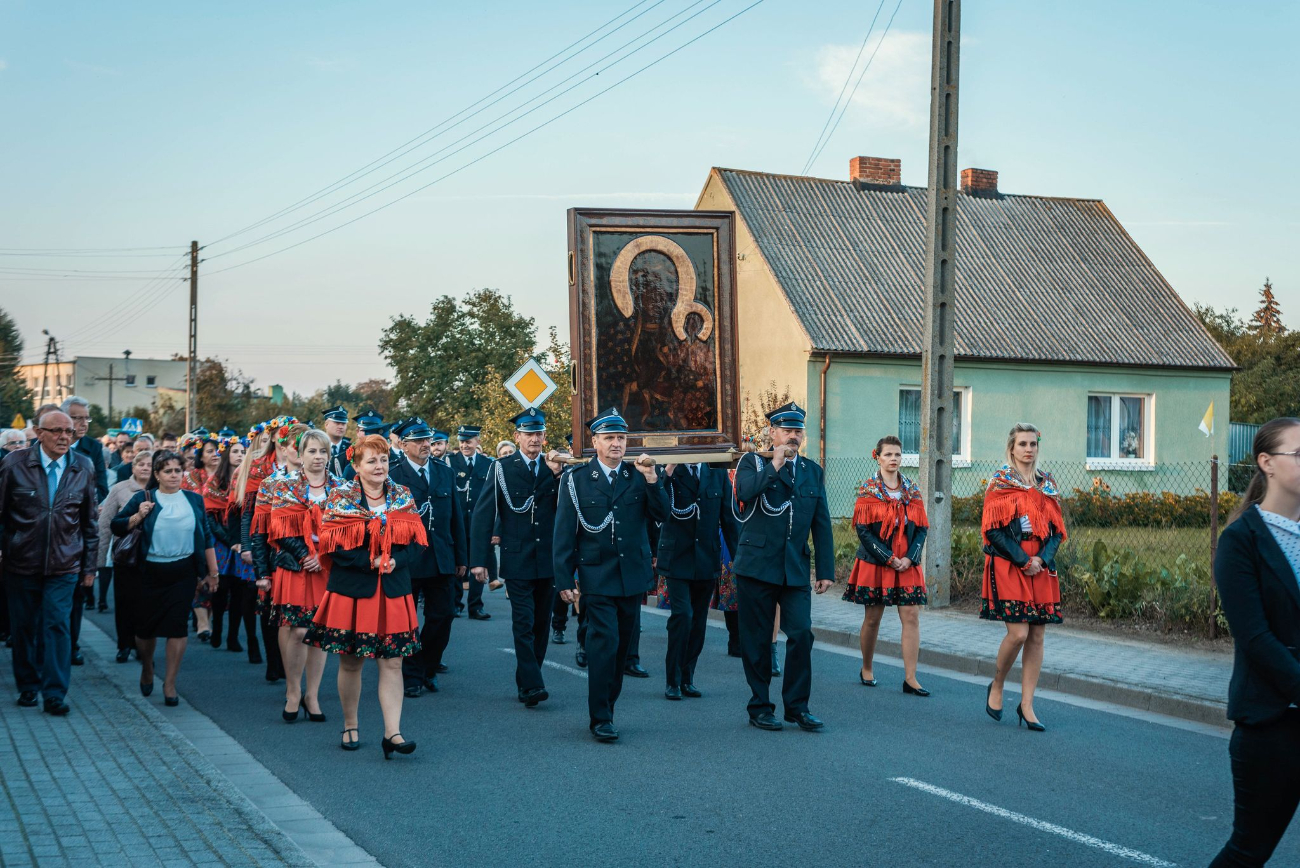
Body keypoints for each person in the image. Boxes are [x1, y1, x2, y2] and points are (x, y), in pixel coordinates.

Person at [1208, 418, 1300, 868]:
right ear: (1267, 463)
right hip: (1271, 724)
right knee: (1249, 851)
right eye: (1299, 454)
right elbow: (1255, 639)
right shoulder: (1240, 541)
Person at [305, 434, 425, 758]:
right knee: (352, 662)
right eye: (371, 461)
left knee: (393, 662)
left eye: (384, 459)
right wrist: (368, 562)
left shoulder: (402, 494)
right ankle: (350, 723)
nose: (379, 466)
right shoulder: (342, 496)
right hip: (353, 591)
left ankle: (393, 733)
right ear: (356, 466)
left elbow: (416, 542)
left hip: (394, 590)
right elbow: (331, 545)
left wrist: (397, 559)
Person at [554, 408, 666, 742]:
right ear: (595, 442)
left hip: (632, 574)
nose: (616, 444)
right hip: (596, 574)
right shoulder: (576, 480)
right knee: (605, 644)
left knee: (621, 650)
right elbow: (564, 532)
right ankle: (600, 716)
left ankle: (608, 707)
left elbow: (662, 515)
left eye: (621, 438)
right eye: (609, 438)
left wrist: (652, 480)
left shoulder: (637, 475)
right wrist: (564, 579)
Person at [732, 402, 835, 733]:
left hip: (794, 568)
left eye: (798, 431)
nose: (793, 436)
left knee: (802, 633)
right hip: (757, 566)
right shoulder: (752, 463)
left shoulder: (812, 471)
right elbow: (745, 493)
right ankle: (760, 705)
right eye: (787, 430)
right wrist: (773, 465)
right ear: (772, 433)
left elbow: (821, 523)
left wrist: (826, 570)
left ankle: (797, 706)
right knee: (759, 640)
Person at [0, 409, 99, 715]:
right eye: (57, 431)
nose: (64, 437)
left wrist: (89, 568)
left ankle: (54, 692)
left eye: (68, 432)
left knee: (57, 625)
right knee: (24, 627)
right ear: (39, 433)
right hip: (21, 562)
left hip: (64, 563)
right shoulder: (14, 465)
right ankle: (28, 686)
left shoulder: (83, 467)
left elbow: (90, 524)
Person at [470, 408, 567, 707]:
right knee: (523, 622)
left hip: (548, 559)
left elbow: (566, 510)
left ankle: (527, 680)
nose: (534, 439)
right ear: (517, 437)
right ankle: (534, 683)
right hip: (518, 557)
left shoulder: (558, 469)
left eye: (538, 433)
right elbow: (483, 515)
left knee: (541, 624)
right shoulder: (501, 467)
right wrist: (479, 559)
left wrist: (557, 474)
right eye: (528, 433)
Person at [111, 450, 218, 707]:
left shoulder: (193, 500)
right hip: (148, 572)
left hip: (182, 572)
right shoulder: (143, 498)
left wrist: (212, 573)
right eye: (167, 471)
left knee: (177, 628)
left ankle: (170, 683)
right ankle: (147, 666)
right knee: (145, 631)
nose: (174, 475)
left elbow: (206, 536)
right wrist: (138, 516)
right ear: (157, 475)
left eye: (177, 470)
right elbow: (116, 525)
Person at [981, 423, 1065, 732]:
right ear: (1012, 448)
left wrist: (1042, 559)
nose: (1028, 449)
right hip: (1010, 563)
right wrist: (1022, 559)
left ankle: (1027, 704)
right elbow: (992, 529)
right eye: (1022, 444)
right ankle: (998, 684)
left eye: (1032, 444)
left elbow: (1058, 531)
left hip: (1040, 566)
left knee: (1038, 635)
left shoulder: (1047, 484)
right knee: (1018, 633)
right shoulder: (1000, 483)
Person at [266, 427, 343, 723]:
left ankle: (312, 695)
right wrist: (305, 555)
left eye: (323, 451)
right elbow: (279, 528)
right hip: (297, 567)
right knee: (297, 631)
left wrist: (322, 553)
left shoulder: (340, 487)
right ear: (299, 454)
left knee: (318, 634)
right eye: (312, 451)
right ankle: (293, 691)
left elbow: (348, 528)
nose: (318, 457)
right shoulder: (286, 487)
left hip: (326, 567)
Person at [844, 436, 930, 695]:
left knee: (911, 616)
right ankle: (867, 667)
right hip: (878, 561)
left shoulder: (912, 490)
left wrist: (910, 557)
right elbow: (862, 530)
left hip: (907, 562)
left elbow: (922, 528)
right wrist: (888, 557)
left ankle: (911, 678)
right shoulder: (868, 489)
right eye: (889, 454)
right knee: (873, 618)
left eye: (898, 455)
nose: (894, 459)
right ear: (878, 457)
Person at [389, 418, 467, 698]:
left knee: (443, 616)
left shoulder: (444, 472)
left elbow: (456, 517)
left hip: (441, 557)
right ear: (404, 444)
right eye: (418, 441)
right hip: (407, 560)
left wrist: (461, 557)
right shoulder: (393, 475)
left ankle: (428, 666)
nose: (426, 445)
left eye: (428, 440)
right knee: (406, 622)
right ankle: (411, 675)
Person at [656, 457, 738, 701]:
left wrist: (740, 561)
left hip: (706, 559)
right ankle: (672, 679)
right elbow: (657, 503)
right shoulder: (668, 470)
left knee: (699, 621)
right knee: (682, 616)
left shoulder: (716, 473)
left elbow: (728, 519)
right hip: (676, 558)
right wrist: (668, 470)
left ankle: (687, 677)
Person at [238, 416, 296, 681]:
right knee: (269, 604)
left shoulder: (306, 465)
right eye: (285, 437)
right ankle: (274, 661)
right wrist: (247, 544)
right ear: (275, 438)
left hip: (294, 545)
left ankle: (291, 665)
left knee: (293, 610)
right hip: (266, 540)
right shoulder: (260, 467)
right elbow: (248, 512)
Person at [94, 449, 152, 662]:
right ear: (133, 467)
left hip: (153, 556)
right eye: (141, 464)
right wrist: (99, 561)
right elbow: (105, 525)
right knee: (125, 601)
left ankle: (142, 645)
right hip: (126, 555)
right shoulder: (120, 489)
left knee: (146, 603)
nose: (146, 468)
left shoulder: (161, 489)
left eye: (150, 464)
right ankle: (124, 644)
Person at [205, 438, 260, 659]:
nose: (239, 454)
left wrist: (239, 539)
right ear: (227, 455)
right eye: (235, 451)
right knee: (221, 589)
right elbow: (210, 517)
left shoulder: (248, 478)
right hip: (221, 543)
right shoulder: (213, 482)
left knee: (240, 590)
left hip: (240, 542)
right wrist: (228, 539)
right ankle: (217, 627)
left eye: (243, 451)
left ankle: (233, 636)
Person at [449, 424, 493, 619]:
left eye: (469, 441)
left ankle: (476, 605)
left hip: (480, 523)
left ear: (478, 441)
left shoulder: (488, 463)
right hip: (458, 522)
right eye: (462, 441)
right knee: (458, 563)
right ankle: (456, 603)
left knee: (478, 563)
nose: (465, 445)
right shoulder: (450, 462)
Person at [184, 434, 222, 641]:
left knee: (217, 579)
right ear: (201, 455)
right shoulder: (190, 477)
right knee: (200, 577)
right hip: (196, 533)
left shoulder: (227, 476)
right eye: (209, 451)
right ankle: (202, 623)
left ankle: (208, 618)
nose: (215, 454)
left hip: (221, 535)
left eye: (217, 450)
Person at [321, 405, 351, 478]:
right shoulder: (318, 447)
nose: (340, 427)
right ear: (326, 425)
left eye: (343, 424)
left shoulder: (350, 448)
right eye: (337, 423)